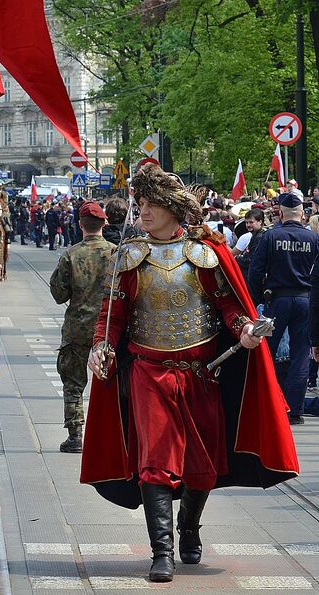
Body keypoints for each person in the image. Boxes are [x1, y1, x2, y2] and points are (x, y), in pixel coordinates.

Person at [83, 165, 299, 583]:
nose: (143, 212)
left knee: (202, 463)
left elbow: (229, 307)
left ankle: (188, 526)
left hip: (203, 373)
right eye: (140, 204)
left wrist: (246, 331)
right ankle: (160, 551)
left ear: (171, 208)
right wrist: (100, 346)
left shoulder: (206, 254)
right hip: (148, 373)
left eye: (151, 204)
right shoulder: (129, 257)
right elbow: (112, 317)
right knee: (155, 460)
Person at [248, 192, 319, 424]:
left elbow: (255, 272)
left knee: (266, 354)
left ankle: (270, 405)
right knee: (300, 356)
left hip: (276, 302)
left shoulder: (271, 236)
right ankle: (295, 410)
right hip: (305, 301)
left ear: (280, 213)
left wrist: (259, 299)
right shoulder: (313, 239)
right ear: (302, 215)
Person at [48, 201, 114, 453]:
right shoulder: (116, 253)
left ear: (80, 225)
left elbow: (58, 293)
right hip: (108, 328)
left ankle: (76, 436)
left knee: (73, 383)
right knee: (109, 384)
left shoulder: (71, 255)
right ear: (104, 224)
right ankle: (111, 436)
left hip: (78, 328)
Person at [232, 208, 265, 278]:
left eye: (251, 222)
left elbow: (250, 259)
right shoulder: (255, 235)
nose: (248, 225)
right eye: (246, 222)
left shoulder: (260, 237)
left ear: (260, 222)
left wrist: (236, 258)